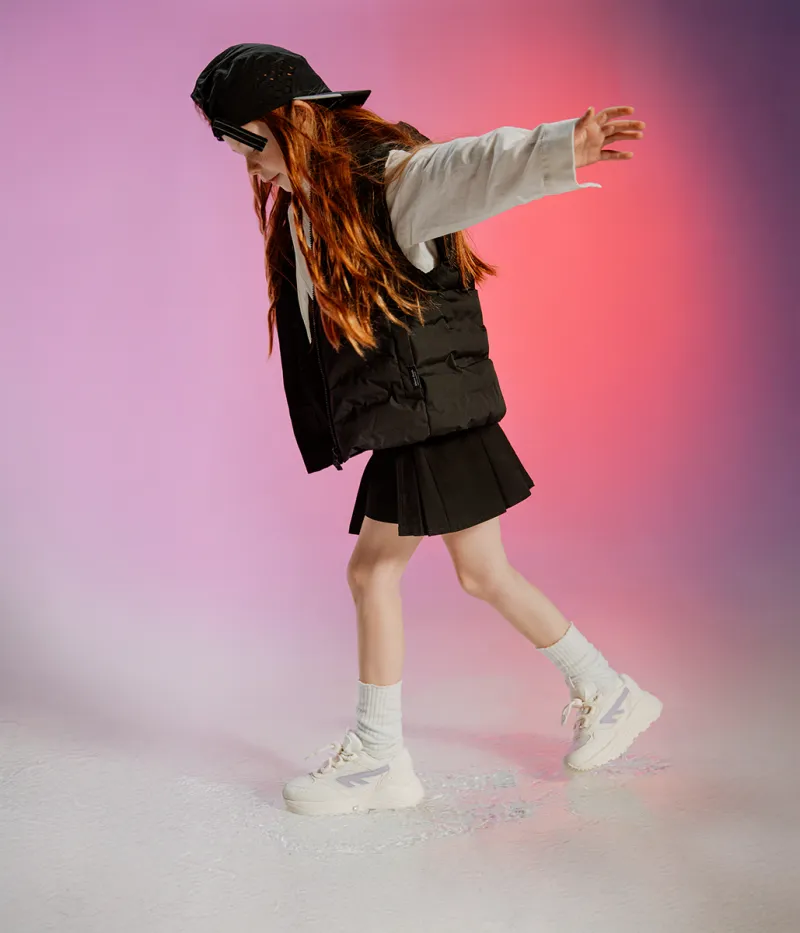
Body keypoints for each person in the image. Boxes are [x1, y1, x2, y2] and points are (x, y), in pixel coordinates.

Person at [191, 43, 663, 817]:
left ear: (291, 122)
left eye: (249, 143)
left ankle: (382, 756)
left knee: (382, 575)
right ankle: (604, 690)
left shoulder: (389, 181)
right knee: (471, 573)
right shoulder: (317, 201)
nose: (249, 164)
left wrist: (556, 147)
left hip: (432, 416)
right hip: (419, 417)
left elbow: (466, 166)